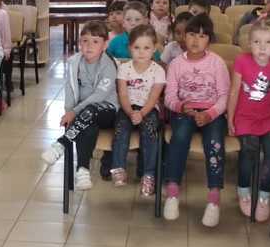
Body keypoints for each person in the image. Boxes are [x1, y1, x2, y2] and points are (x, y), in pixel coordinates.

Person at [162, 14, 230, 225]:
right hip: (184, 111)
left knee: (214, 142)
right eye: (191, 34)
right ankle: (172, 192)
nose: (195, 40)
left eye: (202, 36)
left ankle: (214, 198)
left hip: (212, 113)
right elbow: (169, 97)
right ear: (184, 36)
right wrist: (181, 106)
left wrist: (210, 114)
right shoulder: (176, 64)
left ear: (209, 39)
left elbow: (224, 96)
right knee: (180, 136)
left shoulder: (217, 63)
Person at [41, 21, 118, 191]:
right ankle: (83, 171)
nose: (89, 46)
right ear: (79, 42)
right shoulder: (74, 62)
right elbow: (69, 88)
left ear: (105, 45)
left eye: (95, 41)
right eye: (85, 41)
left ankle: (62, 143)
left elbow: (99, 96)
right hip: (84, 115)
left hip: (108, 110)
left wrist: (74, 112)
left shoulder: (108, 65)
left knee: (90, 111)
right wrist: (69, 111)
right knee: (88, 128)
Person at [226, 20, 270, 223]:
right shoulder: (241, 61)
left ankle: (264, 195)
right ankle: (244, 190)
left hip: (269, 118)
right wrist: (230, 118)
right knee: (249, 151)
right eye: (257, 42)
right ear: (249, 43)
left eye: (268, 42)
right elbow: (234, 92)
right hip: (245, 118)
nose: (262, 47)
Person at [109, 25, 166, 197]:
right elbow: (123, 94)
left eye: (146, 48)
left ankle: (148, 175)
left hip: (148, 109)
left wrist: (141, 114)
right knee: (121, 129)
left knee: (150, 132)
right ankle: (118, 168)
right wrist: (130, 112)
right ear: (130, 48)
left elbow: (154, 97)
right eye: (137, 47)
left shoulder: (158, 71)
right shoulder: (124, 68)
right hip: (128, 107)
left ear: (154, 49)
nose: (141, 52)